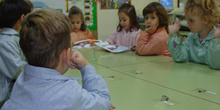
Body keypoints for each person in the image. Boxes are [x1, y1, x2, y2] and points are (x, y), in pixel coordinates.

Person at [1, 8, 115, 110]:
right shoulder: (70, 93)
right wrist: (86, 67)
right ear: (66, 55)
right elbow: (104, 101)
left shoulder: (21, 81)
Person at [167, 0, 220, 69]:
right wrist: (172, 36)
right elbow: (179, 57)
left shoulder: (216, 39)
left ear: (205, 20)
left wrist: (216, 40)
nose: (187, 24)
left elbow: (216, 65)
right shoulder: (191, 37)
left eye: (191, 20)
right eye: (187, 20)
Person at [0, 0, 31, 107]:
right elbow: (17, 70)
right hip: (6, 97)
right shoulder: (5, 42)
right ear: (22, 18)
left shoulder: (14, 39)